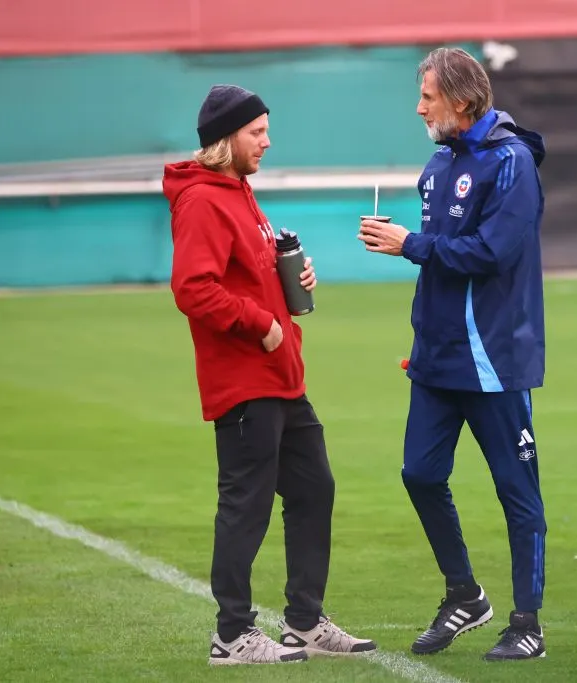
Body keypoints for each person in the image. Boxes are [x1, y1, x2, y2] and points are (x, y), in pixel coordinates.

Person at [163, 84, 376, 666]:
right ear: (224, 139)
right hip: (244, 378)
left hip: (281, 377)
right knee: (246, 505)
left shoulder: (238, 191)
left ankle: (304, 622)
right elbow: (193, 288)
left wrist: (292, 277)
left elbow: (248, 268)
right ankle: (231, 633)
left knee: (314, 489)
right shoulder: (204, 200)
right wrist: (260, 322)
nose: (267, 141)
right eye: (256, 132)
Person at [358, 48, 548, 661]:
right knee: (419, 474)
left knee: (516, 493)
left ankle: (528, 623)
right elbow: (439, 263)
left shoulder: (513, 163)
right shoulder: (438, 165)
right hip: (436, 360)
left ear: (462, 102)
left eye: (428, 98)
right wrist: (421, 335)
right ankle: (465, 594)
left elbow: (491, 254)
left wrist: (408, 243)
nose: (419, 108)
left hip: (492, 360)